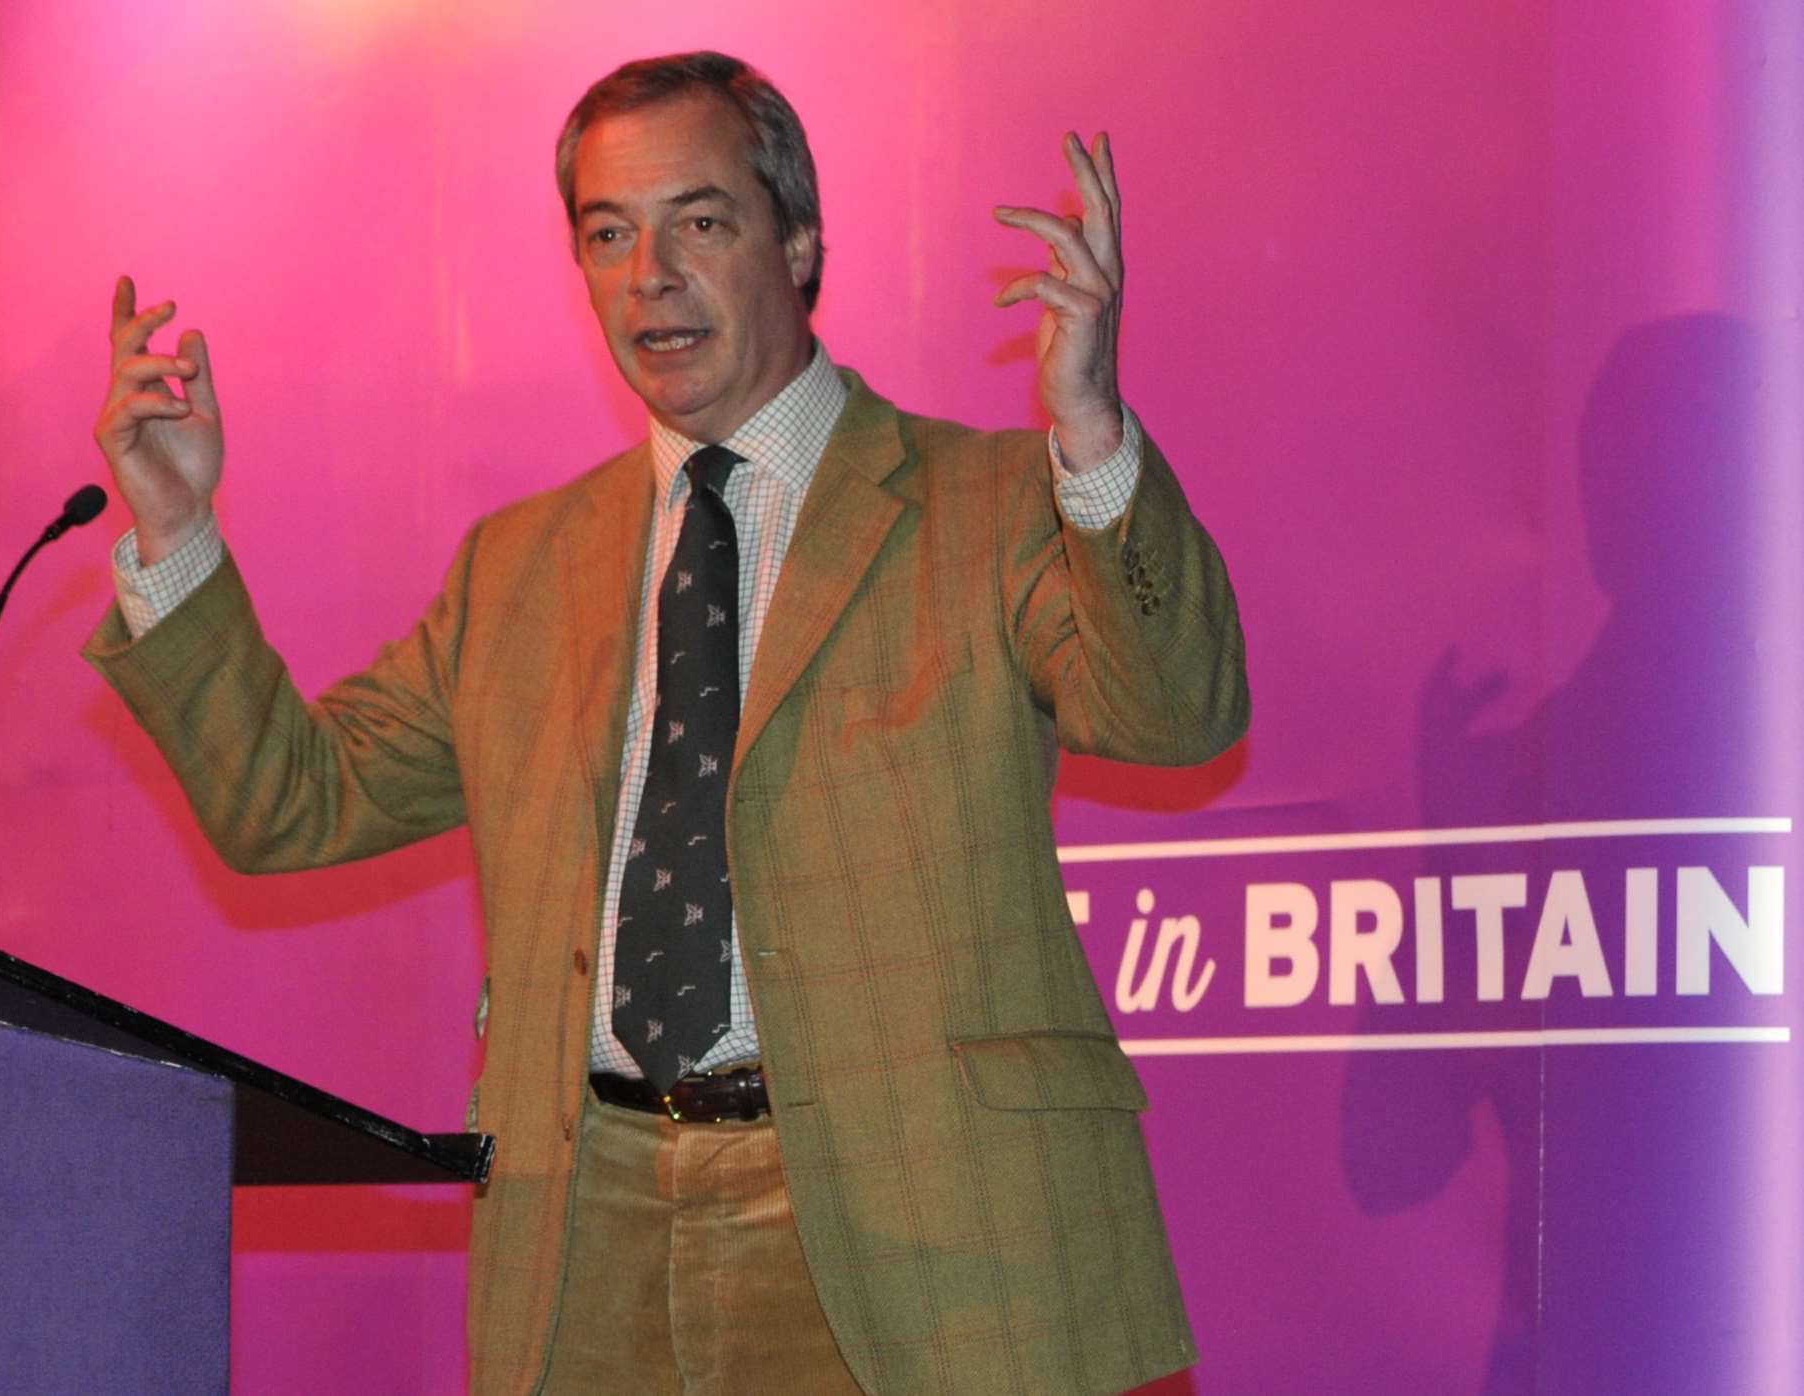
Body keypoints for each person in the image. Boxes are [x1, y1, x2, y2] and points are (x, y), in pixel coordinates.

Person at [86, 50, 1248, 1396]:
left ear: (798, 239)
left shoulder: (986, 503)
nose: (649, 274)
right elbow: (290, 804)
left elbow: (1175, 713)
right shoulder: (519, 566)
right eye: (606, 233)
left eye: (698, 221)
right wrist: (173, 535)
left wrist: (1091, 433)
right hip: (593, 1228)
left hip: (927, 1227)